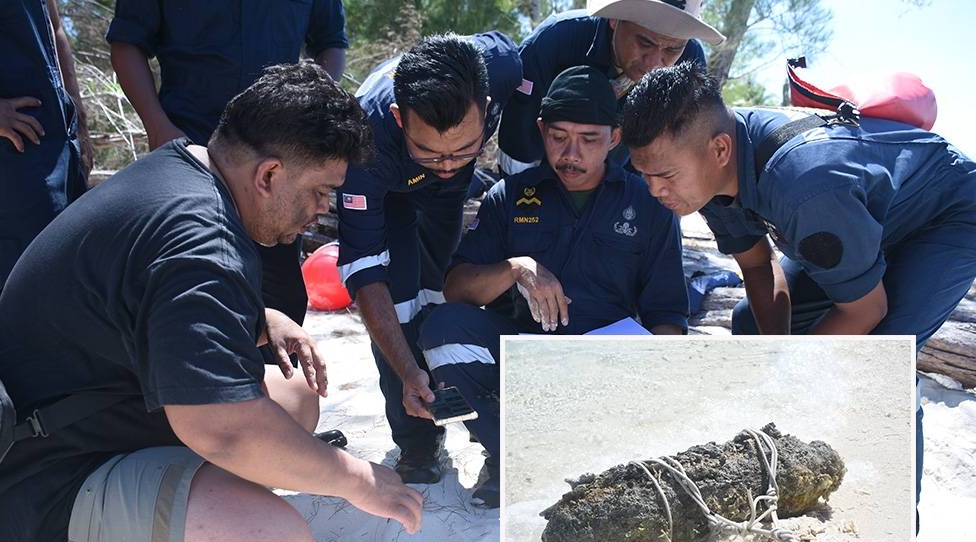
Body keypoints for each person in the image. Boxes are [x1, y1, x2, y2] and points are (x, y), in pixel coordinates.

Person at [0, 63, 423, 542]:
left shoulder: (183, 170)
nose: (322, 212)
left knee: (291, 396)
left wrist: (262, 319)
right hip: (37, 477)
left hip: (75, 418)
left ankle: (145, 533)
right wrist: (361, 480)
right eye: (320, 192)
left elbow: (140, 295)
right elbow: (224, 429)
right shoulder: (201, 241)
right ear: (268, 174)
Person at [622, 61, 976, 542]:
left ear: (718, 150)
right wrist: (776, 360)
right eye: (644, 176)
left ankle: (891, 530)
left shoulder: (805, 189)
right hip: (863, 211)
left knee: (881, 358)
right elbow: (760, 272)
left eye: (664, 176)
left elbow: (865, 310)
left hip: (946, 216)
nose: (655, 191)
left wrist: (790, 379)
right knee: (747, 321)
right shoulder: (712, 173)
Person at [419, 66, 689, 508]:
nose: (571, 153)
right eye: (559, 136)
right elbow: (457, 289)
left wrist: (647, 389)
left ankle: (591, 455)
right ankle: (507, 457)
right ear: (541, 129)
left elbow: (668, 317)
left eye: (589, 138)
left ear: (615, 137)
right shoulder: (510, 196)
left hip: (605, 365)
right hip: (525, 357)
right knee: (442, 329)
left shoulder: (648, 203)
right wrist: (515, 267)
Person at [336, 33, 523, 487]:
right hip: (389, 189)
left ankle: (498, 435)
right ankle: (418, 442)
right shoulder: (362, 141)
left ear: (488, 103)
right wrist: (405, 368)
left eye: (463, 148)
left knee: (442, 292)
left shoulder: (504, 66)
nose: (446, 163)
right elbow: (365, 275)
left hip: (449, 200)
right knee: (398, 308)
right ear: (401, 119)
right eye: (432, 150)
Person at [107, 0, 350, 325]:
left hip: (279, 165)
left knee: (281, 303)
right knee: (191, 292)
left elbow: (330, 42)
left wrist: (310, 110)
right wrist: (158, 127)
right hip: (191, 155)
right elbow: (127, 44)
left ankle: (274, 375)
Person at [497, 0, 724, 175]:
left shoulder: (690, 61)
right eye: (645, 42)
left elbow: (675, 147)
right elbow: (519, 143)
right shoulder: (553, 41)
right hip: (541, 165)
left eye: (672, 50)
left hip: (625, 175)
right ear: (615, 19)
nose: (655, 63)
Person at [0, 0, 91, 344]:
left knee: (69, 297)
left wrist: (79, 121)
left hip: (58, 153)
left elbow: (55, 30)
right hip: (0, 167)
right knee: (6, 322)